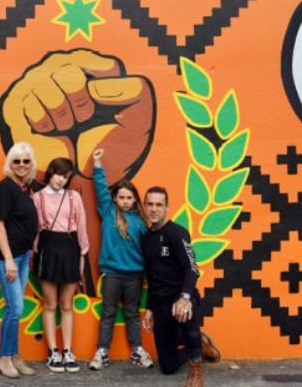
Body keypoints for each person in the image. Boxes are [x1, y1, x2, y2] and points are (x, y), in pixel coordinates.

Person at [141, 187, 221, 387]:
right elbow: (152, 276)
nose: (154, 209)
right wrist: (150, 308)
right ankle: (199, 345)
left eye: (159, 205)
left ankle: (196, 372)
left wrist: (185, 297)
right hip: (160, 304)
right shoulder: (146, 238)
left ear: (167, 207)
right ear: (144, 206)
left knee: (186, 313)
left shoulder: (177, 233)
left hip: (181, 298)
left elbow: (193, 268)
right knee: (167, 367)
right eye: (150, 204)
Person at [88, 149, 154, 370]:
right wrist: (97, 164)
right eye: (121, 197)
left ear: (135, 199)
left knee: (133, 314)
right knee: (108, 313)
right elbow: (100, 189)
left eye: (129, 197)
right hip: (112, 275)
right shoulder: (108, 211)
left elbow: (150, 251)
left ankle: (137, 350)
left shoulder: (142, 222)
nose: (125, 201)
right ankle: (102, 352)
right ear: (115, 198)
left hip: (134, 276)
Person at [32, 158, 89, 373]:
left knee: (67, 304)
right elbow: (35, 230)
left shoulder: (74, 197)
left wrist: (82, 255)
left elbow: (81, 226)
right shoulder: (37, 198)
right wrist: (34, 255)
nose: (61, 180)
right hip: (48, 250)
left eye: (66, 177)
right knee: (50, 304)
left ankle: (67, 350)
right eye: (58, 174)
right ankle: (53, 351)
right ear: (50, 173)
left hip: (70, 249)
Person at [0, 142, 38, 379]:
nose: (21, 165)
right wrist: (9, 259)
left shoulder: (24, 189)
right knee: (14, 308)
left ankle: (15, 355)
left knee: (16, 310)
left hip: (22, 255)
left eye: (26, 161)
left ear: (31, 164)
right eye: (17, 161)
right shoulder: (4, 188)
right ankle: (4, 358)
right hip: (7, 258)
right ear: (10, 163)